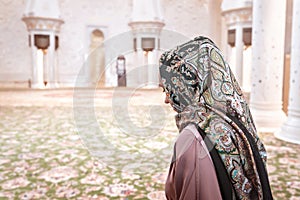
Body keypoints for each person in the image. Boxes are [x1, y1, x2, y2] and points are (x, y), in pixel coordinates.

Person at [159, 36, 273, 200]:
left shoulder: (192, 140)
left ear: (184, 85)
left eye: (167, 89)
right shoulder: (232, 122)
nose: (166, 100)